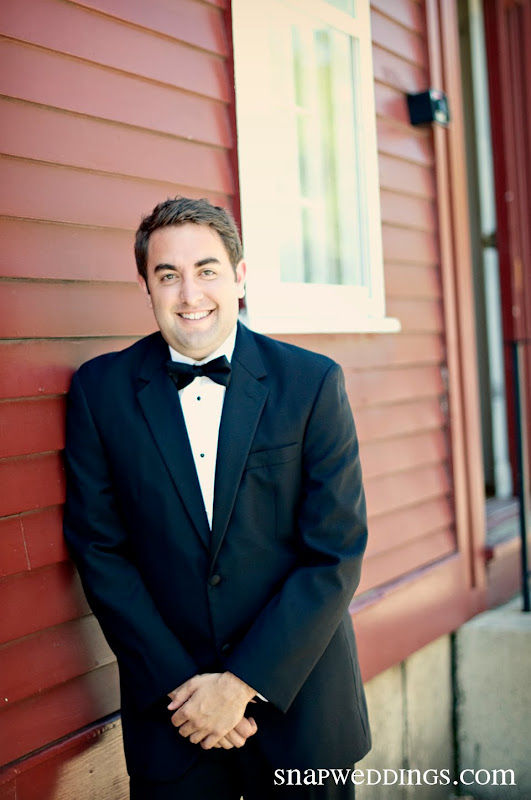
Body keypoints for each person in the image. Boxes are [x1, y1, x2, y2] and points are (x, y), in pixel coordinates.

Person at [63, 196, 371, 799]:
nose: (190, 294)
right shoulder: (100, 392)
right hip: (172, 718)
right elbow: (100, 551)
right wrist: (187, 694)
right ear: (146, 287)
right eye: (168, 275)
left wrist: (239, 687)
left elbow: (334, 554)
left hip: (301, 714)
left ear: (240, 276)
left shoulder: (312, 383)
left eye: (206, 270)